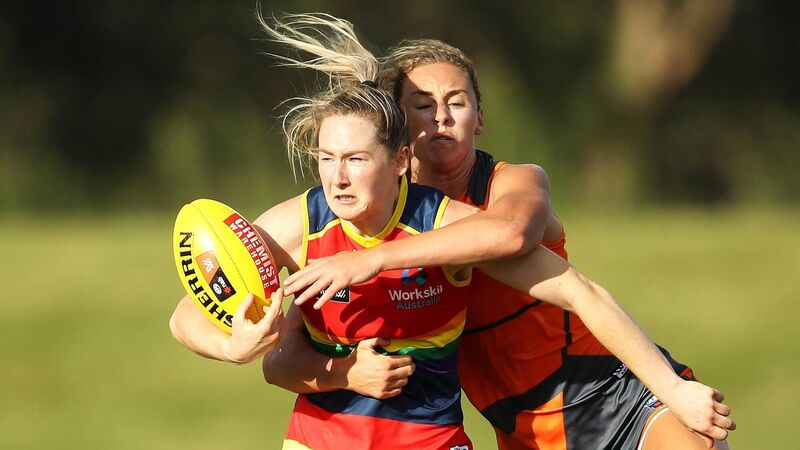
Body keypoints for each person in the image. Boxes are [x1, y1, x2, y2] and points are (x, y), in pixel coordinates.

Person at [263, 15, 736, 450]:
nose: (441, 116)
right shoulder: (364, 222)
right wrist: (337, 368)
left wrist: (370, 261)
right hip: (519, 430)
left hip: (606, 391)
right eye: (423, 105)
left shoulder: (512, 184)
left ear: (480, 118)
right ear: (398, 132)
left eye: (457, 102)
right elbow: (287, 351)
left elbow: (512, 234)